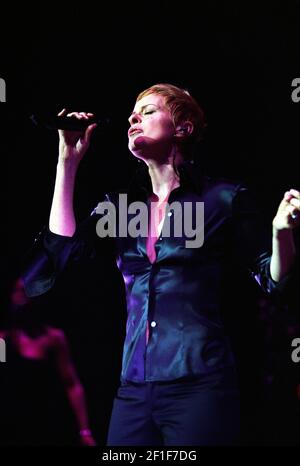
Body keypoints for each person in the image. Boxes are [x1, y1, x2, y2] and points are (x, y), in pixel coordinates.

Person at [22, 83, 300, 445]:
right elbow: (59, 257)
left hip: (201, 385)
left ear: (182, 128)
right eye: (132, 115)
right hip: (133, 390)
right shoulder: (120, 208)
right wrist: (67, 162)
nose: (134, 117)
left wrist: (281, 232)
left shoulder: (222, 199)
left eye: (149, 111)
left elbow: (272, 279)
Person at [0, 277, 96, 446]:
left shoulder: (53, 339)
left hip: (45, 421)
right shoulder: (3, 340)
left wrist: (84, 431)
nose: (21, 297)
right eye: (17, 291)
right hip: (10, 423)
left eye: (27, 291)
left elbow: (71, 384)